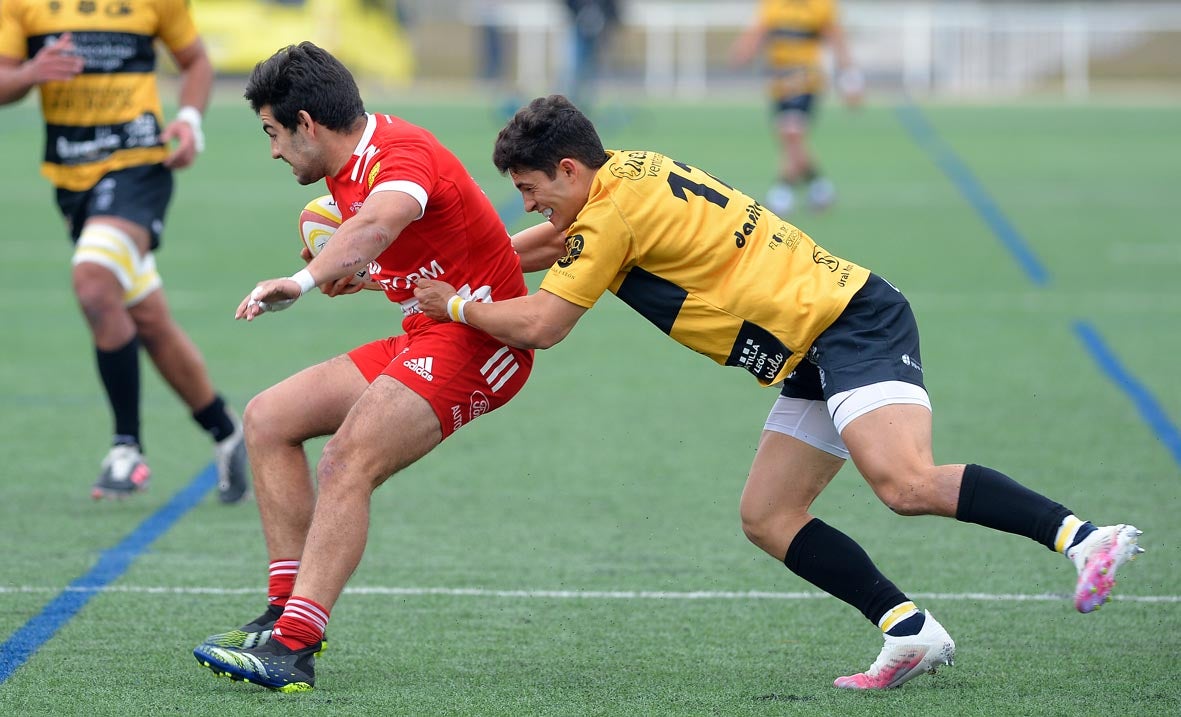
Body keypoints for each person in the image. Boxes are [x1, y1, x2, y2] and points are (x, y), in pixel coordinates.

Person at [413, 94, 1145, 690]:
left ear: (568, 171)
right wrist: (456, 268)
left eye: (530, 191)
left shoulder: (608, 215)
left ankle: (1088, 538)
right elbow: (556, 241)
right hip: (806, 350)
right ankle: (909, 630)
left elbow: (543, 323)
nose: (531, 206)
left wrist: (450, 303)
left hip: (847, 320)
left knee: (903, 481)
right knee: (768, 515)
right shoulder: (625, 173)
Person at [190, 42, 534, 693]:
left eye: (273, 133)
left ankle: (294, 646)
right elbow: (412, 248)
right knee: (269, 418)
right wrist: (372, 278)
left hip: (482, 342)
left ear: (307, 125)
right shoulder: (344, 172)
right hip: (430, 331)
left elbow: (382, 219)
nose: (272, 150)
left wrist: (306, 278)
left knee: (348, 460)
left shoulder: (398, 153)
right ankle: (280, 610)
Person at [0, 0, 248, 503]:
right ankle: (227, 433)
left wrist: (190, 123)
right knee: (149, 320)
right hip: (72, 179)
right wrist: (31, 72)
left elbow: (196, 61)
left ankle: (126, 448)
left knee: (93, 282)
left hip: (139, 164)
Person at [730, 0, 863, 216]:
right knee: (790, 137)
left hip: (806, 80)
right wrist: (743, 52)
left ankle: (782, 190)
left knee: (791, 131)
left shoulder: (821, 5)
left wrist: (851, 79)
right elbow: (758, 32)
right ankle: (819, 186)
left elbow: (836, 39)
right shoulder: (773, 4)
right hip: (779, 83)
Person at [561, 0, 621, 108]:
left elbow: (611, 6)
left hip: (600, 28)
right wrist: (581, 11)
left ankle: (586, 104)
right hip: (579, 26)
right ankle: (568, 105)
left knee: (591, 70)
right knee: (574, 69)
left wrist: (604, 17)